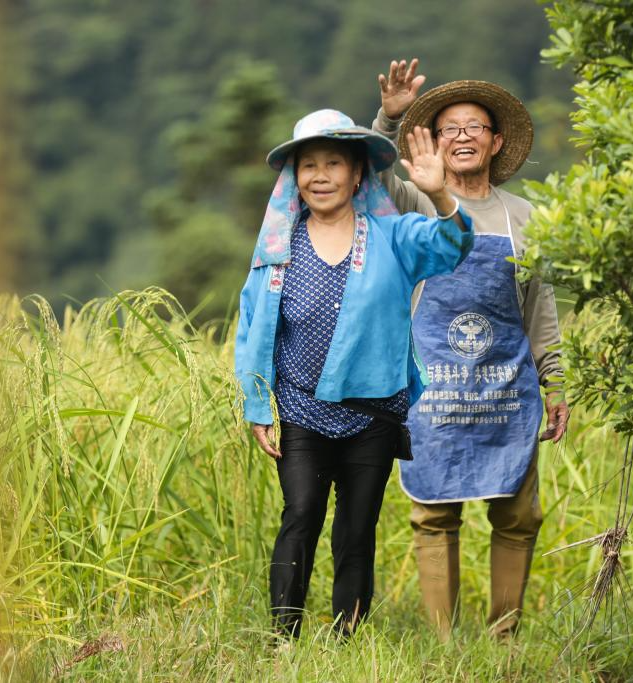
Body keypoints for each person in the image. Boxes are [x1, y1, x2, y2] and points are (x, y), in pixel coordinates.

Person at [234, 108, 473, 639]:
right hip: (300, 408)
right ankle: (284, 638)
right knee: (300, 515)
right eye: (308, 165)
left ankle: (345, 640)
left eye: (333, 163)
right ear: (294, 178)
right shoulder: (280, 247)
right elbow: (253, 325)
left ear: (357, 173)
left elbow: (453, 246)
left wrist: (439, 195)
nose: (320, 175)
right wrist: (257, 404)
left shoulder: (393, 236)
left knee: (357, 529)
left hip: (373, 413)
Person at [372, 59, 569, 640]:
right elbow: (372, 172)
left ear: (496, 141)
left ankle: (503, 637)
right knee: (434, 512)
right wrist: (389, 115)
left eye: (474, 127)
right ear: (432, 142)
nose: (462, 136)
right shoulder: (412, 200)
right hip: (431, 386)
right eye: (449, 128)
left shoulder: (524, 217)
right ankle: (443, 645)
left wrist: (554, 383)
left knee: (518, 512)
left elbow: (541, 310)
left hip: (507, 386)